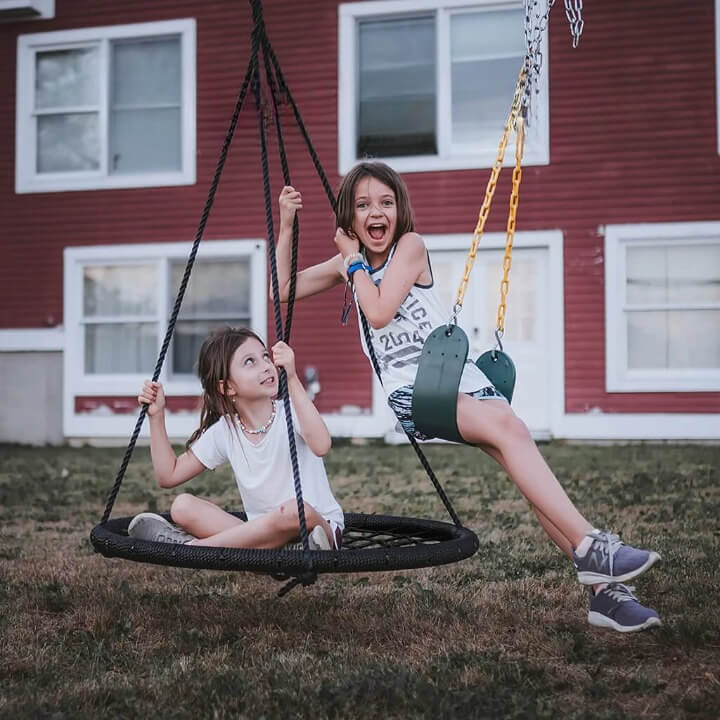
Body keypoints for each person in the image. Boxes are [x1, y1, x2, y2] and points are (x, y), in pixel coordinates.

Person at [274, 161, 661, 632]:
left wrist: (352, 263)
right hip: (417, 392)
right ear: (349, 219)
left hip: (460, 372)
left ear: (400, 210)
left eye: (385, 203)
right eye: (363, 205)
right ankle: (593, 547)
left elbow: (376, 305)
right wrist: (289, 225)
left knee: (517, 447)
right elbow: (290, 290)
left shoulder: (410, 248)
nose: (376, 212)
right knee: (509, 432)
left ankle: (604, 592)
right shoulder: (349, 265)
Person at [127, 327, 343, 552]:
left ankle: (191, 549)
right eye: (250, 361)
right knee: (182, 507)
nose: (266, 366)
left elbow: (322, 445)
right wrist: (156, 416)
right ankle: (272, 550)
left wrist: (292, 377)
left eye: (265, 356)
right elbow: (168, 475)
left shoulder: (292, 411)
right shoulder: (227, 430)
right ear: (227, 387)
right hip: (265, 532)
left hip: (317, 527)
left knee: (294, 510)